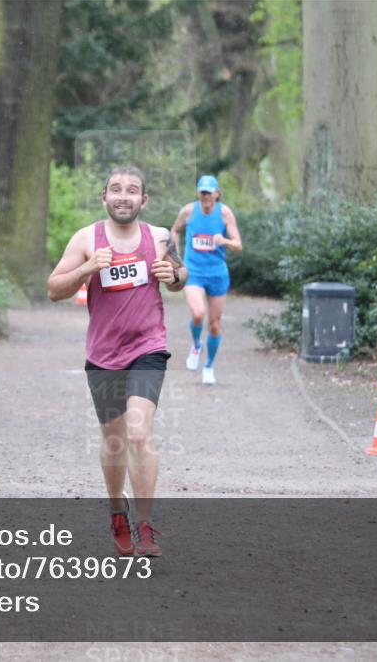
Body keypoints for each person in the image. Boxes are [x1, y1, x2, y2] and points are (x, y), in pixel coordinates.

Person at [48, 165, 188, 557]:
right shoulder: (86, 239)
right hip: (104, 354)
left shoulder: (160, 237)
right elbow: (54, 289)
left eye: (132, 191)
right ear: (104, 198)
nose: (123, 196)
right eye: (116, 189)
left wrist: (173, 275)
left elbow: (180, 277)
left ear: (144, 200)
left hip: (148, 347)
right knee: (114, 442)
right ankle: (116, 511)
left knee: (139, 434)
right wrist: (88, 268)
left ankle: (144, 525)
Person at [170, 175, 242, 385]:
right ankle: (195, 345)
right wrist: (176, 257)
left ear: (217, 194)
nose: (205, 197)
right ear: (198, 194)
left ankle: (209, 366)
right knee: (198, 314)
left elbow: (238, 245)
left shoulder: (225, 213)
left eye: (209, 193)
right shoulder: (189, 211)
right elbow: (174, 230)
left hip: (218, 274)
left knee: (215, 324)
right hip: (194, 272)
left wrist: (225, 241)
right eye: (202, 193)